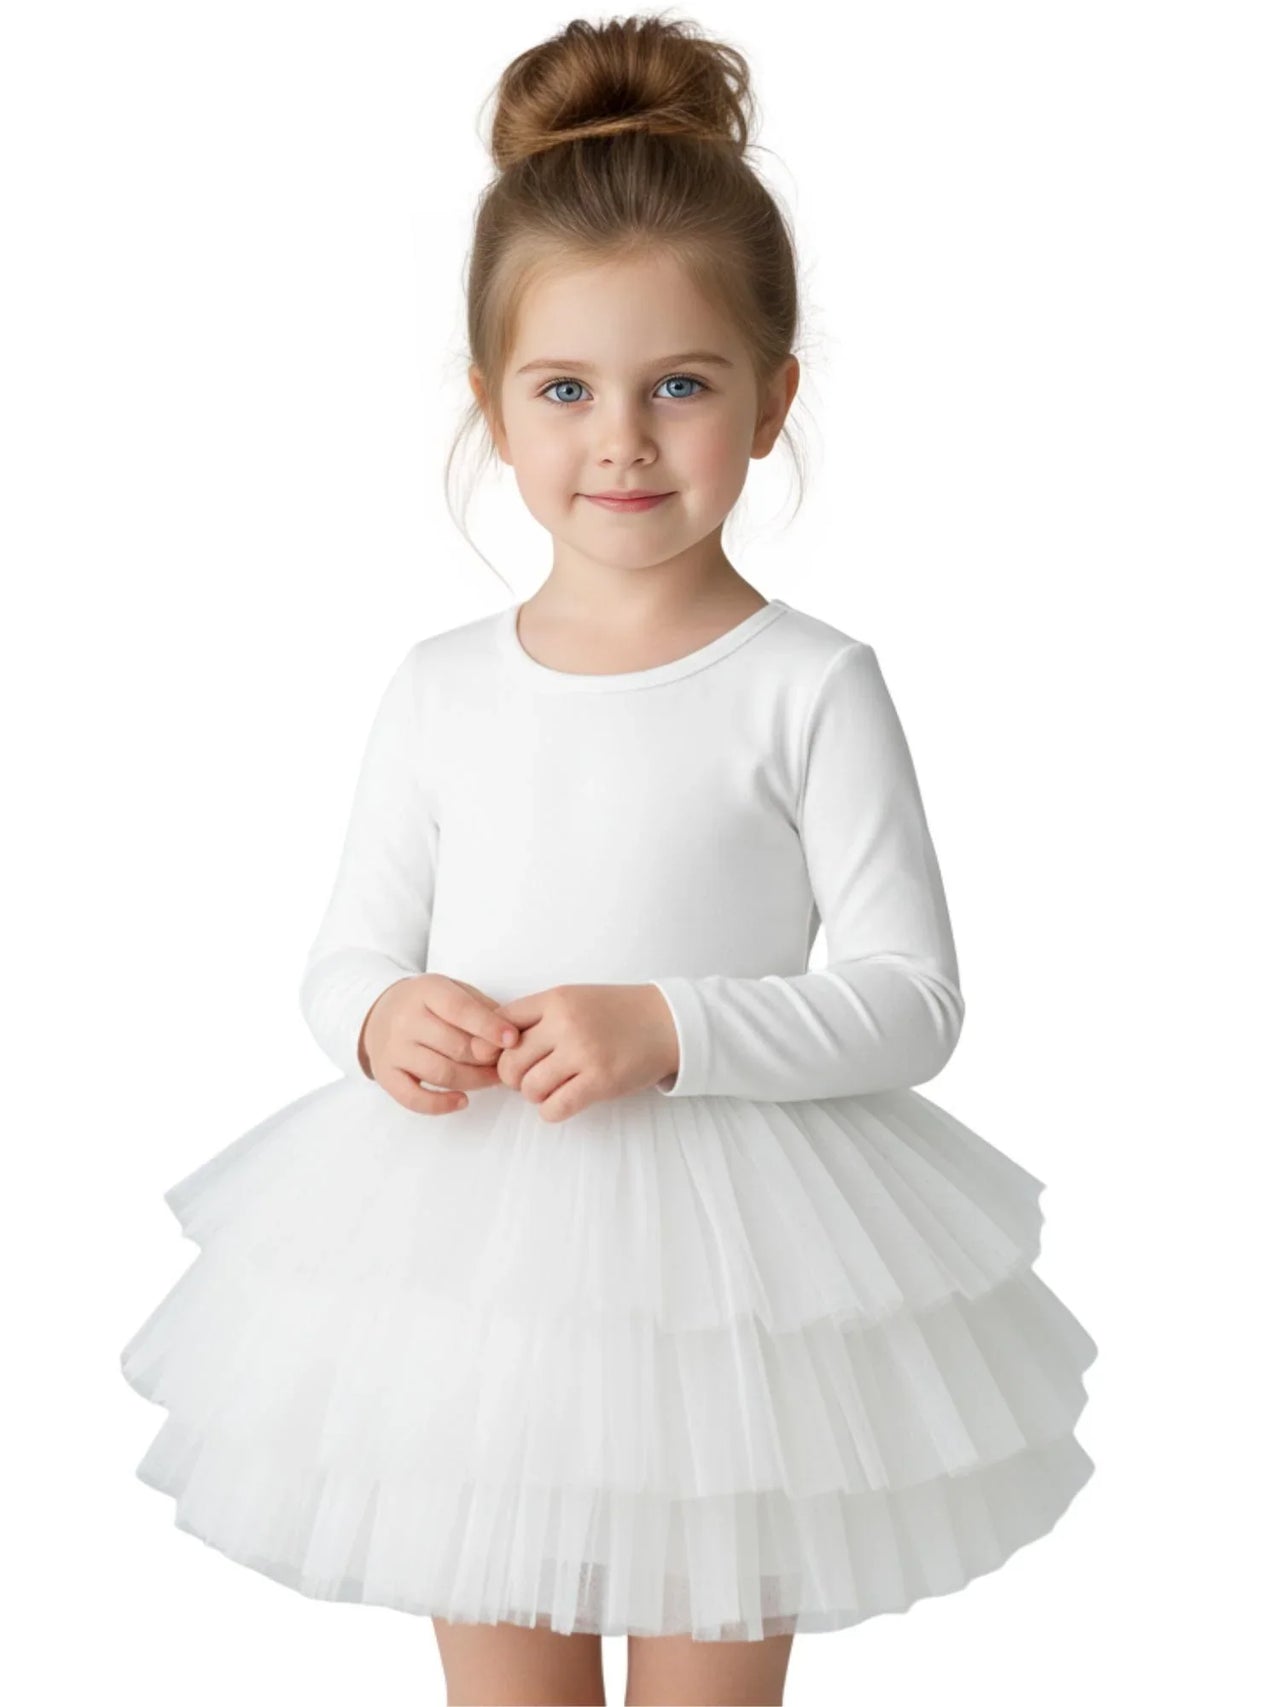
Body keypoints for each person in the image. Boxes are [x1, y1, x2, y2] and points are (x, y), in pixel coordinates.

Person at [119, 14, 1097, 1706]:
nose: (623, 440)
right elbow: (346, 954)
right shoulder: (439, 687)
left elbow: (911, 999)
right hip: (474, 1286)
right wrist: (381, 1021)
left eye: (683, 386)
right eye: (566, 388)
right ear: (493, 408)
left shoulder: (809, 685)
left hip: (739, 1292)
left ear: (773, 398)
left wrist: (672, 1028)